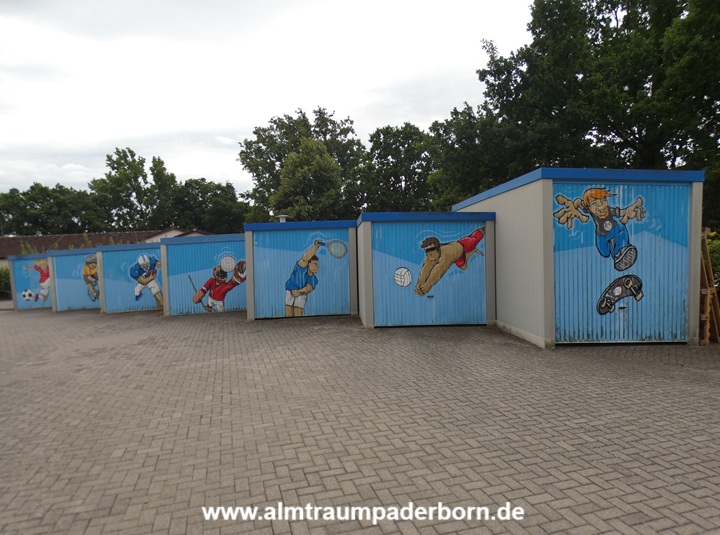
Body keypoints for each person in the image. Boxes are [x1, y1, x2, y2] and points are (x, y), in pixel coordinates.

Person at [554, 188, 645, 271]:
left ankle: (621, 251)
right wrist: (575, 206)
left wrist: (630, 211)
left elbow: (622, 212)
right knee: (605, 252)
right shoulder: (590, 211)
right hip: (602, 235)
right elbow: (579, 203)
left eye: (603, 200)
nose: (600, 205)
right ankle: (616, 250)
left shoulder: (609, 210)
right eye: (594, 203)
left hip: (615, 228)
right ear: (589, 207)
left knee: (622, 230)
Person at [414, 228, 485, 296]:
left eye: (432, 249)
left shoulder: (448, 254)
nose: (429, 253)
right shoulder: (429, 256)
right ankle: (472, 251)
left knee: (475, 238)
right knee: (464, 267)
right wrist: (419, 285)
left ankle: (482, 231)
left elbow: (439, 270)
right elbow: (425, 269)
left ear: (438, 249)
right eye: (427, 250)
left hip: (464, 245)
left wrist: (427, 286)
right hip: (457, 257)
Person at [285, 240, 321, 317]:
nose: (317, 266)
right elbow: (305, 257)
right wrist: (315, 247)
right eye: (315, 264)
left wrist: (299, 291)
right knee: (288, 313)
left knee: (298, 313)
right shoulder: (301, 267)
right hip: (290, 290)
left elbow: (309, 288)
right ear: (309, 264)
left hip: (301, 293)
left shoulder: (314, 279)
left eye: (317, 264)